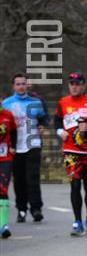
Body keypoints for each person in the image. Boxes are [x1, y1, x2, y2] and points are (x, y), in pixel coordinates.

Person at [54, 72, 87, 236]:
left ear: (83, 85)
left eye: (77, 84)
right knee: (75, 185)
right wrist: (60, 131)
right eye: (71, 83)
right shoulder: (63, 102)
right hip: (71, 152)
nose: (74, 87)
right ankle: (77, 221)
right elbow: (57, 120)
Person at [2, 72, 49, 223]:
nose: (21, 87)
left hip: (33, 144)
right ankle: (21, 209)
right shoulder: (6, 103)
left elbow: (44, 118)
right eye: (18, 84)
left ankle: (36, 209)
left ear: (27, 85)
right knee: (19, 179)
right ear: (13, 86)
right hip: (15, 146)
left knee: (33, 177)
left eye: (23, 84)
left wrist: (41, 126)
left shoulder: (36, 102)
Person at [0, 104, 17, 238]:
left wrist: (14, 146)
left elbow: (14, 132)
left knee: (3, 189)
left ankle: (3, 225)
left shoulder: (8, 114)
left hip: (5, 157)